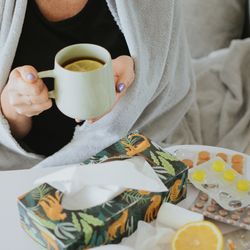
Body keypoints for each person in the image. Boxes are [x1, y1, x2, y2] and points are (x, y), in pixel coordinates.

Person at [0, 0, 195, 170]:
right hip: (27, 168)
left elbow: (171, 86)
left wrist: (139, 78)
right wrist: (13, 109)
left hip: (127, 153)